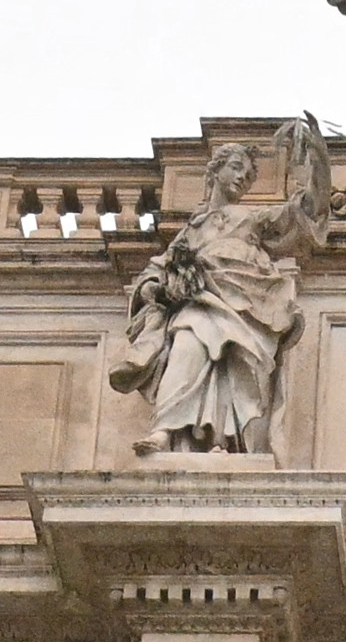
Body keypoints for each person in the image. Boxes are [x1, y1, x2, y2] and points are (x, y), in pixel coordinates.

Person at [110, 115, 326, 457]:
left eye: (249, 174)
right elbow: (156, 271)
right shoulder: (190, 231)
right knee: (186, 348)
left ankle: (222, 441)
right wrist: (157, 289)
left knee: (237, 369)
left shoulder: (251, 219)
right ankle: (165, 431)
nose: (243, 177)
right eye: (236, 167)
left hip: (248, 309)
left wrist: (318, 162)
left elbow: (307, 210)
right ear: (215, 171)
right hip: (200, 304)